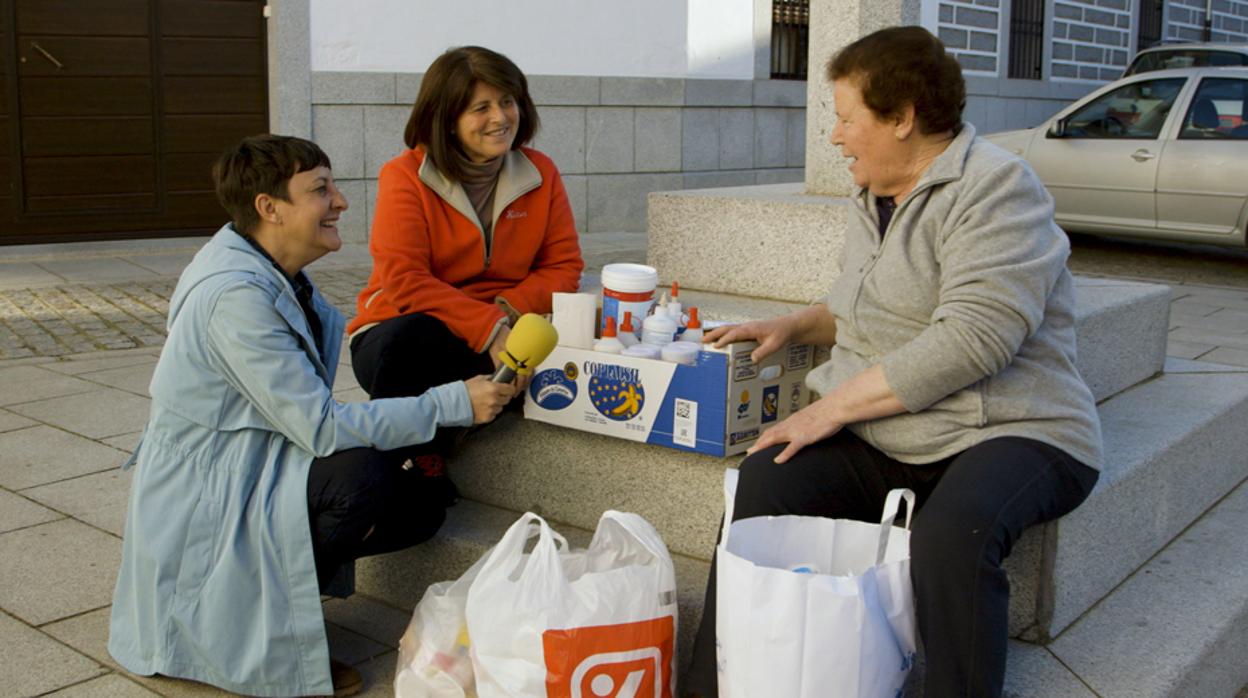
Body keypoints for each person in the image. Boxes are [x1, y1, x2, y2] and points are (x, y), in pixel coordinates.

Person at [685, 27, 1102, 698]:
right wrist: (796, 324)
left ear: (902, 118)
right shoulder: (875, 194)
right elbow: (866, 307)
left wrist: (827, 409)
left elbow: (975, 338)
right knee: (766, 482)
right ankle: (717, 687)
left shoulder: (997, 189)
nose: (836, 136)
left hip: (1013, 430)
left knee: (951, 536)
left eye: (847, 117)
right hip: (899, 434)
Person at [107, 135, 515, 697]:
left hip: (253, 459)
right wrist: (452, 402)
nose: (341, 201)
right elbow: (320, 426)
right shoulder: (236, 298)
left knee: (420, 499)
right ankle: (252, 632)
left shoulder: (271, 271)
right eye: (320, 190)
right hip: (212, 488)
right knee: (363, 482)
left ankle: (276, 607)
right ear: (269, 209)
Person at [348, 45, 583, 477]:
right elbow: (404, 281)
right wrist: (488, 329)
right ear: (447, 119)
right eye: (481, 107)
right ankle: (407, 465)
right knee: (414, 339)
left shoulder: (540, 171)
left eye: (508, 102)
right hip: (403, 335)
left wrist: (503, 317)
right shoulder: (405, 176)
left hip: (502, 330)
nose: (500, 117)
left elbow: (564, 267)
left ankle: (464, 424)